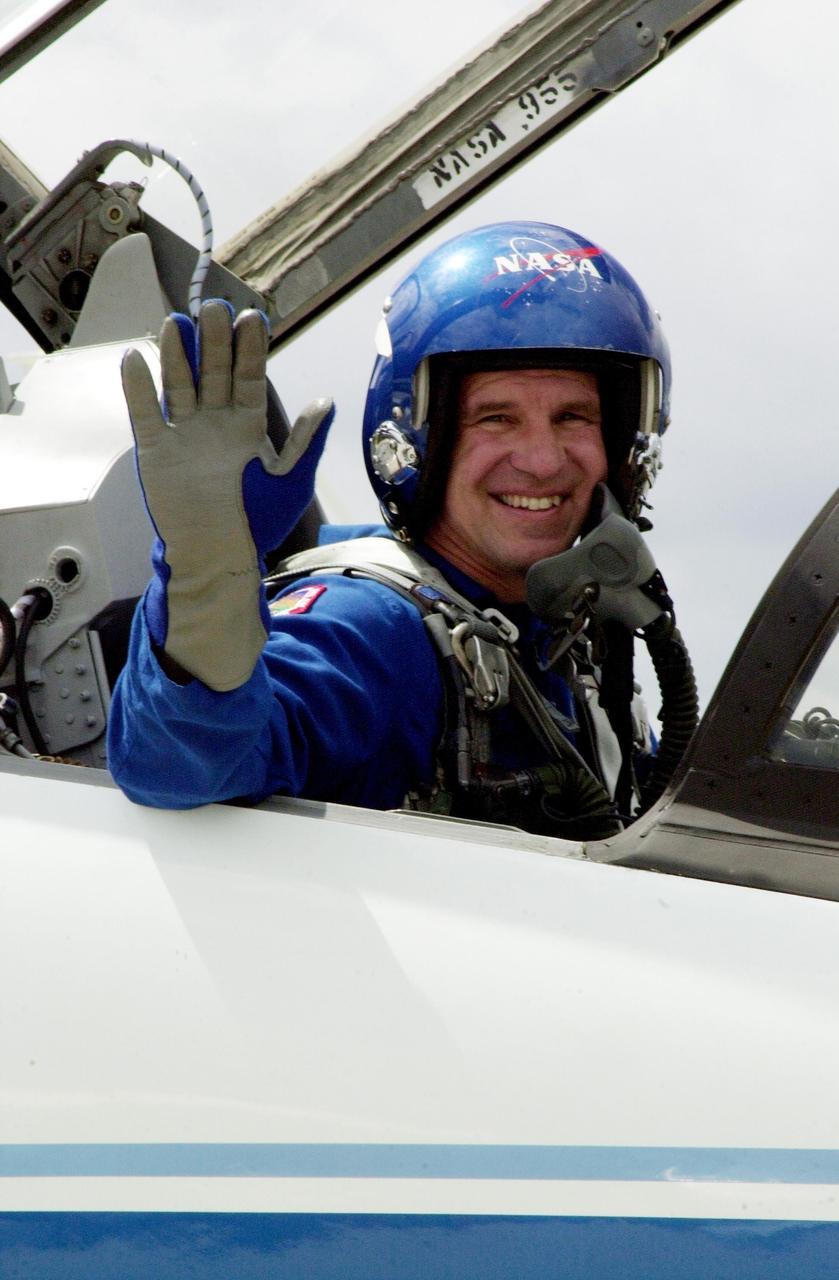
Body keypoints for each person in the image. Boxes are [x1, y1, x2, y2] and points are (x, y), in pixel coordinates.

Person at [107, 221, 695, 836]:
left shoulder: (580, 650)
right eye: (496, 419)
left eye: (573, 417)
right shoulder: (374, 628)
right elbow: (178, 766)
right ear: (420, 442)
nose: (543, 461)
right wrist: (205, 577)